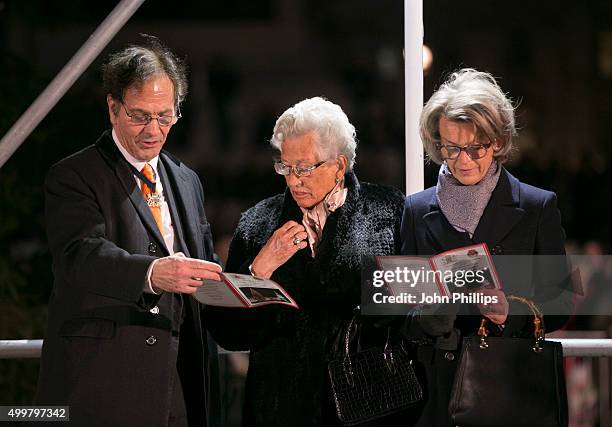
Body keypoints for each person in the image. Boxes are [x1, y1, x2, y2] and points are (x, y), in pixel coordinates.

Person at [35, 36, 223, 426]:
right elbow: (80, 256)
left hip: (181, 384)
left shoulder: (187, 180)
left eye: (165, 116)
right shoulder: (73, 176)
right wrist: (152, 273)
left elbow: (203, 269)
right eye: (140, 116)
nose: (153, 129)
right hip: (104, 387)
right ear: (113, 108)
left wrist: (252, 275)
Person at [205, 97, 405, 426]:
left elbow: (405, 310)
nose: (294, 179)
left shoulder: (388, 210)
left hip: (365, 400)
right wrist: (259, 270)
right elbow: (228, 332)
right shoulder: (258, 222)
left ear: (339, 166)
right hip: (279, 405)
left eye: (305, 168)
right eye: (286, 167)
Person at [400, 68, 573, 427]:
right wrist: (423, 316)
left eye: (475, 147)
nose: (463, 160)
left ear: (497, 141)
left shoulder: (537, 207)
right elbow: (400, 308)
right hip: (435, 394)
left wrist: (511, 311)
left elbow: (560, 303)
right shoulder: (416, 210)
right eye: (451, 148)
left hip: (508, 387)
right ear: (437, 143)